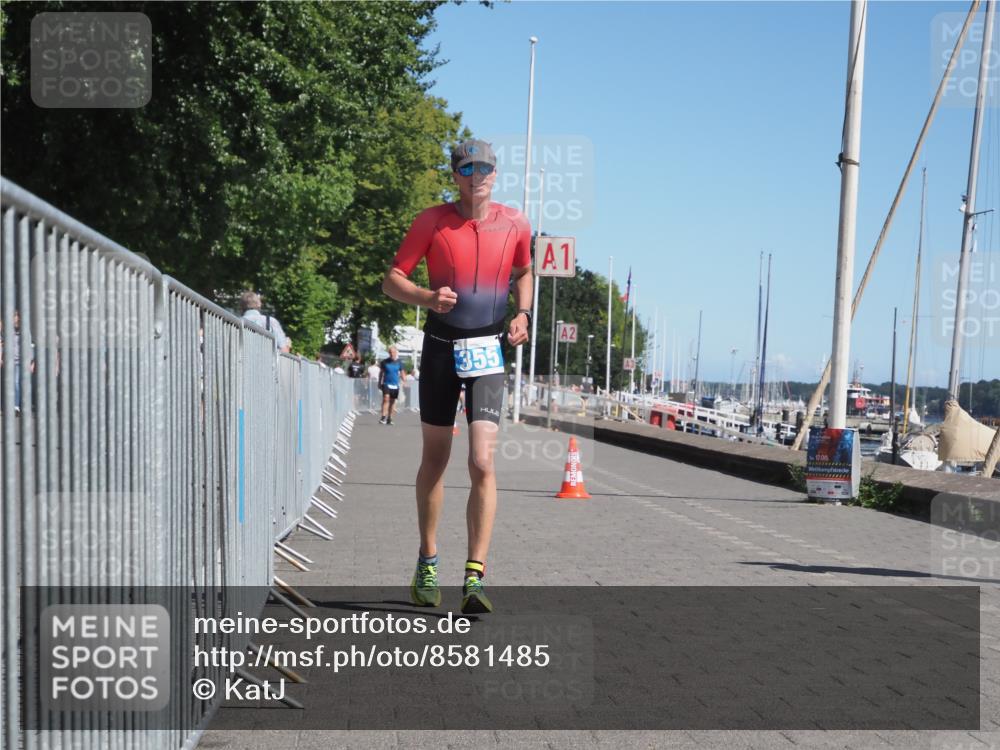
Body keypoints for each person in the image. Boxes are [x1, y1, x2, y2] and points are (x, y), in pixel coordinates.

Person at [382, 139, 533, 614]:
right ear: (454, 175)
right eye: (467, 169)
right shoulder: (432, 221)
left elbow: (524, 271)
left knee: (483, 462)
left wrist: (524, 313)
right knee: (436, 458)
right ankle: (428, 561)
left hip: (488, 350)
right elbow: (392, 280)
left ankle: (474, 576)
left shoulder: (516, 222)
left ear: (496, 173)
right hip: (441, 348)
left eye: (484, 168)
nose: (476, 176)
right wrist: (427, 298)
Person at [378, 346, 404, 425]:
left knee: (392, 402)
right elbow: (381, 373)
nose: (392, 354)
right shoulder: (384, 362)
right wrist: (379, 382)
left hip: (395, 384)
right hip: (386, 383)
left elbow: (402, 373)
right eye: (390, 352)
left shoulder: (399, 362)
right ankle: (383, 417)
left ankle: (390, 418)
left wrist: (404, 380)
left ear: (396, 353)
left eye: (393, 352)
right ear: (389, 353)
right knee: (386, 398)